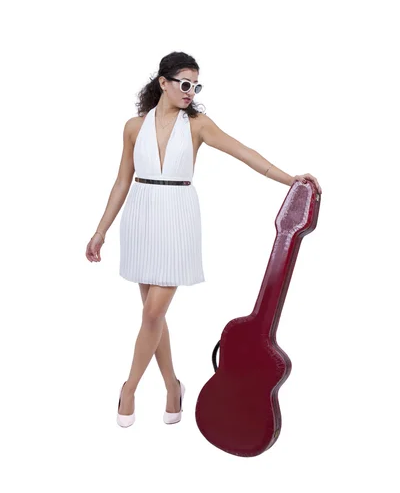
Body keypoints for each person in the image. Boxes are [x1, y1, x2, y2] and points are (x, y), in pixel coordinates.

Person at [85, 51, 322, 428]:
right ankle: (173, 389)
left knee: (151, 314)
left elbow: (245, 153)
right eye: (184, 83)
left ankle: (128, 388)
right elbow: (121, 181)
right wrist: (101, 230)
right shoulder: (133, 126)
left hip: (177, 217)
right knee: (154, 316)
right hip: (141, 216)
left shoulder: (197, 124)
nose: (190, 91)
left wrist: (290, 177)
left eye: (195, 85)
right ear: (163, 82)